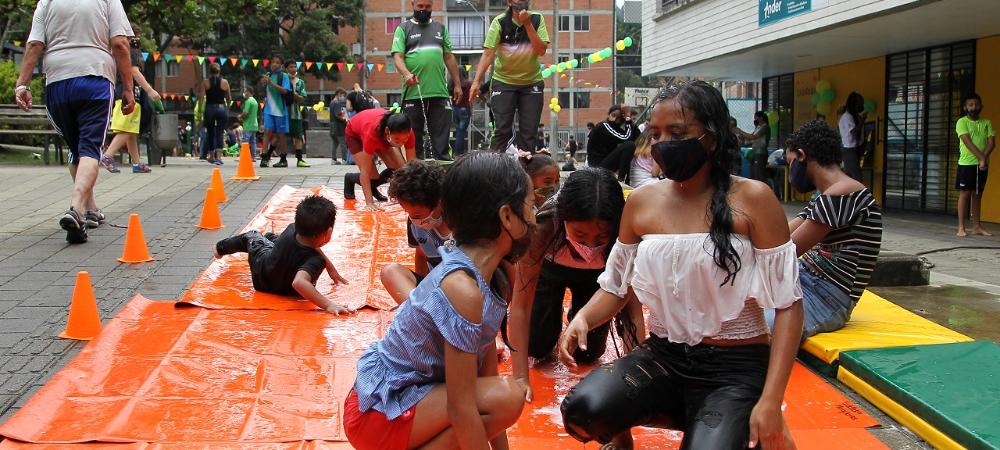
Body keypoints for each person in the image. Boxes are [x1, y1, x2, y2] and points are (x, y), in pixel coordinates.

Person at [557, 81, 802, 450]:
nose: (663, 143)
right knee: (583, 409)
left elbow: (788, 306)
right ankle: (715, 428)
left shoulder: (755, 199)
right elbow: (615, 286)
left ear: (712, 137)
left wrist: (770, 398)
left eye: (677, 132)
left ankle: (734, 422)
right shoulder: (641, 202)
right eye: (655, 133)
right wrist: (583, 319)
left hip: (734, 368)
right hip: (665, 358)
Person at [346, 152, 531, 450]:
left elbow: (485, 374)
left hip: (416, 399)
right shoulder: (462, 288)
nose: (535, 215)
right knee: (506, 396)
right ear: (507, 215)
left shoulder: (497, 275)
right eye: (531, 204)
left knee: (504, 396)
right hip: (377, 412)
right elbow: (462, 407)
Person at [16, 0, 135, 243]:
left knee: (77, 149)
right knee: (90, 148)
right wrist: (129, 89)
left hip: (58, 82)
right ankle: (76, 209)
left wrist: (22, 84)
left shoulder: (46, 2)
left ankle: (90, 210)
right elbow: (121, 44)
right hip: (95, 78)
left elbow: (35, 44)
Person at [509, 168, 632, 403]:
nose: (589, 245)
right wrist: (520, 377)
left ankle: (576, 315)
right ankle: (552, 320)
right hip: (550, 272)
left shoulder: (624, 232)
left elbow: (629, 306)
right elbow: (520, 304)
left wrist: (633, 373)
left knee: (589, 353)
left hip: (597, 278)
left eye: (600, 238)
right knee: (537, 347)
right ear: (563, 219)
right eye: (580, 235)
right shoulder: (544, 227)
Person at [785, 119, 883, 338]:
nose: (790, 174)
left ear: (802, 155)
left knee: (745, 327)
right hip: (806, 282)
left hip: (825, 297)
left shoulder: (843, 193)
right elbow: (781, 232)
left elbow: (786, 250)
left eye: (789, 163)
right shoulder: (826, 196)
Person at [213, 195, 353, 314]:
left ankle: (221, 248)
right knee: (265, 238)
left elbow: (312, 252)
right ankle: (266, 238)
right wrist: (328, 304)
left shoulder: (292, 228)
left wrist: (331, 269)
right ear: (328, 233)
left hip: (262, 277)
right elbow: (299, 282)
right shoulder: (316, 260)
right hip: (287, 291)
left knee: (252, 237)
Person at [469, 0, 549, 153]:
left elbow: (541, 50)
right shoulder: (499, 22)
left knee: (529, 131)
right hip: (503, 82)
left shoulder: (537, 19)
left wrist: (528, 24)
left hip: (531, 82)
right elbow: (488, 54)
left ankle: (526, 171)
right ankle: (494, 168)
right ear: (510, 2)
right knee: (502, 129)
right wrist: (476, 82)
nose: (523, 2)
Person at [392, 0, 462, 161]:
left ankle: (442, 178)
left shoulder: (440, 28)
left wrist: (457, 84)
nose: (424, 10)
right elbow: (397, 57)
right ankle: (415, 178)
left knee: (441, 141)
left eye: (428, 7)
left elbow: (449, 57)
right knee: (413, 141)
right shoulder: (403, 29)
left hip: (439, 93)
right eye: (420, 7)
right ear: (413, 5)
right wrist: (407, 74)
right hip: (413, 94)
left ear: (432, 6)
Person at [380, 160, 451, 304]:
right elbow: (421, 254)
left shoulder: (461, 221)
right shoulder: (414, 224)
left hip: (461, 290)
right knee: (390, 272)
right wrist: (419, 290)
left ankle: (422, 314)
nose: (413, 219)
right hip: (435, 290)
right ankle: (420, 312)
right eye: (407, 212)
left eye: (417, 215)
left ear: (439, 202)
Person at [100, 23, 158, 174]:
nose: (137, 40)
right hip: (129, 94)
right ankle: (108, 155)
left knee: (131, 130)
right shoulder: (130, 51)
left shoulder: (120, 51)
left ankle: (137, 163)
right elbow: (134, 72)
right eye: (136, 37)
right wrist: (150, 90)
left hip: (122, 92)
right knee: (126, 130)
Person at [343, 108, 416, 208]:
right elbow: (365, 172)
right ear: (387, 131)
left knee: (401, 172)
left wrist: (413, 196)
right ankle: (350, 178)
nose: (401, 143)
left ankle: (373, 187)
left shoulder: (408, 132)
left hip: (381, 134)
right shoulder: (372, 135)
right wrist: (370, 203)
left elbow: (412, 167)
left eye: (405, 139)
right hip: (355, 135)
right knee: (372, 177)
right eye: (397, 139)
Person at [955, 92, 994, 237]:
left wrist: (983, 159)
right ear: (965, 107)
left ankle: (977, 226)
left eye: (976, 104)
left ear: (981, 106)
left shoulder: (987, 122)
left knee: (978, 194)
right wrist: (982, 158)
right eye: (970, 105)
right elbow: (967, 142)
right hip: (966, 164)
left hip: (982, 165)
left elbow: (992, 142)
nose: (974, 107)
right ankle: (961, 227)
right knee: (965, 194)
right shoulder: (961, 122)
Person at [260, 54, 291, 168]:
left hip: (280, 110)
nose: (274, 64)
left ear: (282, 65)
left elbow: (285, 91)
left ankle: (283, 158)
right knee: (267, 133)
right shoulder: (269, 75)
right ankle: (264, 157)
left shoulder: (284, 76)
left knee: (280, 135)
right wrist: (263, 83)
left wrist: (271, 83)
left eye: (277, 62)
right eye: (273, 62)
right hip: (268, 109)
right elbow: (263, 90)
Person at [198, 62, 232, 165]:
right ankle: (219, 157)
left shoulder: (205, 82)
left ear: (209, 71)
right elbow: (229, 98)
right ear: (219, 71)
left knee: (211, 133)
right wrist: (227, 107)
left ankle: (211, 156)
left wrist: (199, 111)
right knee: (220, 132)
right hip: (221, 108)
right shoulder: (225, 82)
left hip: (210, 108)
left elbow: (201, 97)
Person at [280, 61, 310, 167]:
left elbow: (303, 98)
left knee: (298, 136)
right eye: (291, 67)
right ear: (286, 68)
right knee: (280, 136)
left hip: (296, 113)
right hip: (282, 113)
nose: (293, 69)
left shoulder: (300, 82)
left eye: (295, 66)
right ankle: (282, 159)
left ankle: (300, 159)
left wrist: (295, 95)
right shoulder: (282, 80)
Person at [838, 92, 867, 182]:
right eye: (859, 103)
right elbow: (853, 132)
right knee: (857, 179)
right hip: (849, 151)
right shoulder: (847, 117)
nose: (861, 105)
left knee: (852, 178)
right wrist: (863, 121)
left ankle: (851, 195)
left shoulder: (855, 116)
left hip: (855, 149)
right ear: (853, 103)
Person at [736, 111, 771, 182]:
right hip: (754, 152)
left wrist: (741, 131)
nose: (755, 120)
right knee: (754, 175)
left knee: (759, 175)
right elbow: (749, 138)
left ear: (761, 118)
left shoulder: (765, 127)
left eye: (756, 118)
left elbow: (754, 137)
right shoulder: (758, 128)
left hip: (760, 153)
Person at [451, 67, 473, 157]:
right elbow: (470, 98)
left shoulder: (452, 84)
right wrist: (471, 109)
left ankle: (457, 152)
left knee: (458, 131)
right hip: (465, 109)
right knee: (461, 132)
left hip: (455, 109)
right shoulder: (468, 84)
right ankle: (458, 153)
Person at [239, 86, 260, 159]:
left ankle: (243, 157)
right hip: (254, 124)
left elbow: (245, 113)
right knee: (253, 142)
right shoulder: (255, 101)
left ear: (248, 92)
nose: (244, 93)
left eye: (245, 91)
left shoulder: (248, 101)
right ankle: (253, 157)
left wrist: (240, 116)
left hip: (248, 124)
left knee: (245, 141)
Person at [330, 88, 348, 164]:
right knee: (343, 143)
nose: (343, 97)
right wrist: (345, 120)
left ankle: (333, 159)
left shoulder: (331, 102)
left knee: (335, 143)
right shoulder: (337, 103)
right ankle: (344, 159)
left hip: (332, 126)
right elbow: (337, 115)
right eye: (343, 95)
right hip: (338, 126)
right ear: (339, 94)